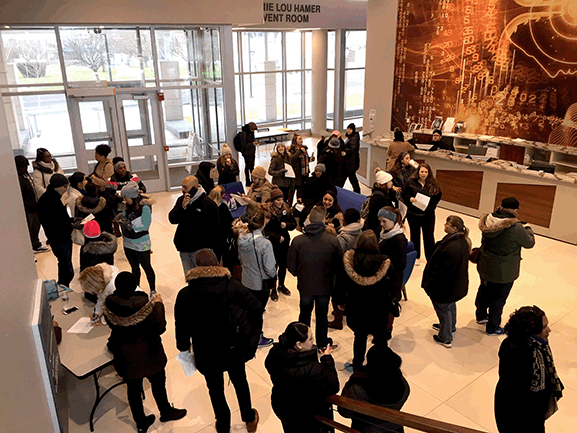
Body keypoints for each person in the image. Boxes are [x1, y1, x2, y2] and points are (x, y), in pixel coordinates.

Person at [175, 249, 262, 433]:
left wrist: (183, 347)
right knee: (240, 382)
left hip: (205, 350)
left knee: (215, 389)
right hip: (233, 347)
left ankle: (223, 424)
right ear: (217, 263)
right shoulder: (233, 286)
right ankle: (248, 419)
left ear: (196, 267)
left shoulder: (185, 294)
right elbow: (256, 308)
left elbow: (181, 325)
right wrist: (250, 335)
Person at [103, 272, 186, 433]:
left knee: (133, 390)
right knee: (158, 384)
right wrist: (159, 305)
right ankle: (166, 411)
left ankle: (140, 423)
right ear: (134, 286)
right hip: (150, 353)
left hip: (125, 356)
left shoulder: (111, 305)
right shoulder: (145, 305)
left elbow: (112, 326)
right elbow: (160, 327)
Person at [495, 306, 563, 433]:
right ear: (530, 330)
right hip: (518, 416)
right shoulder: (514, 351)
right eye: (544, 327)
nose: (549, 330)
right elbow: (515, 393)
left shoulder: (539, 346)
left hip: (533, 413)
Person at [334, 231, 395, 371]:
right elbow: (393, 285)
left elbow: (340, 284)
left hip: (357, 307)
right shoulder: (385, 262)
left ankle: (357, 365)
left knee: (360, 337)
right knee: (380, 337)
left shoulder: (349, 261)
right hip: (379, 308)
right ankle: (381, 366)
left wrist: (340, 301)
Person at [475, 197, 535, 335]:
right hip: (504, 271)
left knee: (484, 290)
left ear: (500, 206)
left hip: (485, 264)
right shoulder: (516, 228)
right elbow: (529, 243)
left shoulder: (487, 220)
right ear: (515, 210)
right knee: (498, 298)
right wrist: (529, 229)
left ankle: (481, 316)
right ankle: (493, 327)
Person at [265, 322, 339, 433]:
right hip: (305, 416)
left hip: (283, 407)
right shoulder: (313, 369)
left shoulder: (274, 355)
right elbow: (333, 386)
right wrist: (326, 359)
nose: (313, 341)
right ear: (299, 345)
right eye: (310, 339)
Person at [287, 205, 342, 350]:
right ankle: (323, 344)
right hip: (324, 287)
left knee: (304, 315)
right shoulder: (332, 241)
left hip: (305, 286)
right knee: (322, 316)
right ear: (324, 220)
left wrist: (303, 273)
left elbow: (291, 268)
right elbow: (339, 266)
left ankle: (302, 344)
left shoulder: (297, 241)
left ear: (309, 219)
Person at [422, 216, 471, 348]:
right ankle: (450, 326)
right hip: (454, 286)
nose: (445, 225)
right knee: (449, 306)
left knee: (443, 309)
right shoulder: (462, 240)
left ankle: (445, 337)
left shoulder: (452, 247)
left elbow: (443, 271)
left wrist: (430, 281)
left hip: (444, 287)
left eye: (447, 223)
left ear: (454, 228)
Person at [339, 345, 410, 433]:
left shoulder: (358, 388)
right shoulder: (403, 385)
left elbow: (344, 411)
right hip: (394, 427)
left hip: (363, 428)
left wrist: (350, 381)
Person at [237, 209, 276, 347]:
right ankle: (257, 338)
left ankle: (245, 333)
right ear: (262, 225)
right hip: (260, 284)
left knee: (247, 310)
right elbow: (270, 269)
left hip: (246, 280)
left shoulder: (241, 239)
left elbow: (240, 259)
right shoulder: (265, 244)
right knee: (258, 312)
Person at [168, 175, 219, 275]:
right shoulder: (181, 200)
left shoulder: (208, 204)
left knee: (203, 278)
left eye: (185, 187)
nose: (183, 190)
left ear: (195, 187)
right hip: (184, 248)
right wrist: (182, 208)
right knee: (190, 276)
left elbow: (215, 228)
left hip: (200, 250)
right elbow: (172, 219)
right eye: (182, 186)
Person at [116, 182, 157, 296]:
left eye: (125, 197)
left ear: (132, 197)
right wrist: (121, 219)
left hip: (141, 242)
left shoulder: (145, 207)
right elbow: (125, 217)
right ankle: (136, 288)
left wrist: (131, 226)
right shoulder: (127, 205)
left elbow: (145, 225)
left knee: (146, 267)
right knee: (134, 268)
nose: (124, 200)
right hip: (128, 242)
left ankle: (153, 290)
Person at [36, 174, 75, 288]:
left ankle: (63, 287)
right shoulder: (48, 201)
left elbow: (61, 218)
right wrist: (71, 224)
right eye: (64, 186)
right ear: (57, 186)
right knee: (66, 268)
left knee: (65, 264)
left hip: (60, 237)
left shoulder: (52, 197)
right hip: (59, 238)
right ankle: (62, 288)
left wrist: (71, 220)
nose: (66, 189)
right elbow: (55, 223)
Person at [401, 163, 442, 262]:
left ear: (429, 173)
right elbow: (404, 194)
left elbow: (438, 196)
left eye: (426, 172)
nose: (423, 174)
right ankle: (416, 256)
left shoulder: (434, 183)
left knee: (429, 237)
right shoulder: (410, 182)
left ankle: (430, 258)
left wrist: (431, 207)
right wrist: (409, 198)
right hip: (413, 214)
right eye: (421, 171)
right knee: (415, 235)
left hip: (428, 215)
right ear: (418, 172)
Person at [264, 186, 297, 301]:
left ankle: (281, 285)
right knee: (273, 266)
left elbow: (293, 224)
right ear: (273, 200)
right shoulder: (267, 212)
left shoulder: (286, 210)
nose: (281, 202)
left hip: (284, 244)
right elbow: (264, 230)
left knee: (283, 265)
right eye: (278, 200)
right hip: (272, 243)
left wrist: (286, 225)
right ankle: (273, 288)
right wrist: (276, 236)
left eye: (282, 199)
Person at [15, 155, 49, 253]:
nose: (25, 168)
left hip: (34, 206)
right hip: (27, 208)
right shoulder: (18, 179)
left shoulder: (26, 176)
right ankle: (31, 246)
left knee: (35, 226)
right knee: (30, 227)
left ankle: (36, 244)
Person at [378, 207, 408, 305]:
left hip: (391, 280)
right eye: (380, 221)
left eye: (384, 221)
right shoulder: (383, 232)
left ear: (393, 220)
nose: (381, 224)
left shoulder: (399, 239)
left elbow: (401, 265)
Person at [362, 169, 398, 235]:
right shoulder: (378, 196)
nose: (391, 183)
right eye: (389, 181)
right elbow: (375, 216)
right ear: (384, 183)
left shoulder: (386, 192)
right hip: (376, 229)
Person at [208, 185, 234, 268]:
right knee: (225, 257)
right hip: (223, 236)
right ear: (222, 195)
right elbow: (229, 221)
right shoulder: (223, 207)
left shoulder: (209, 205)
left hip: (212, 236)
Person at [288, 134, 313, 205]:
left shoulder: (304, 148)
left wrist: (310, 159)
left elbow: (305, 159)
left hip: (304, 173)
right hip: (296, 174)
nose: (301, 140)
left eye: (301, 139)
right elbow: (292, 159)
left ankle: (300, 207)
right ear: (295, 140)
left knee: (301, 193)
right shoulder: (292, 149)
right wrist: (300, 151)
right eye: (299, 139)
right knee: (293, 192)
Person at [238, 122, 259, 186]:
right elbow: (244, 144)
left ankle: (253, 179)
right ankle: (247, 180)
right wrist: (252, 144)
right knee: (247, 166)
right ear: (250, 128)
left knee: (252, 166)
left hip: (251, 151)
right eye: (253, 130)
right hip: (247, 153)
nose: (253, 131)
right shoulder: (244, 134)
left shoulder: (251, 133)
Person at [344, 123, 361, 193]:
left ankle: (357, 191)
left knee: (352, 177)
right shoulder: (351, 137)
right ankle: (357, 191)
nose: (348, 130)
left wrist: (344, 151)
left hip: (352, 162)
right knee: (352, 177)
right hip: (351, 161)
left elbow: (353, 149)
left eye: (349, 129)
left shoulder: (354, 138)